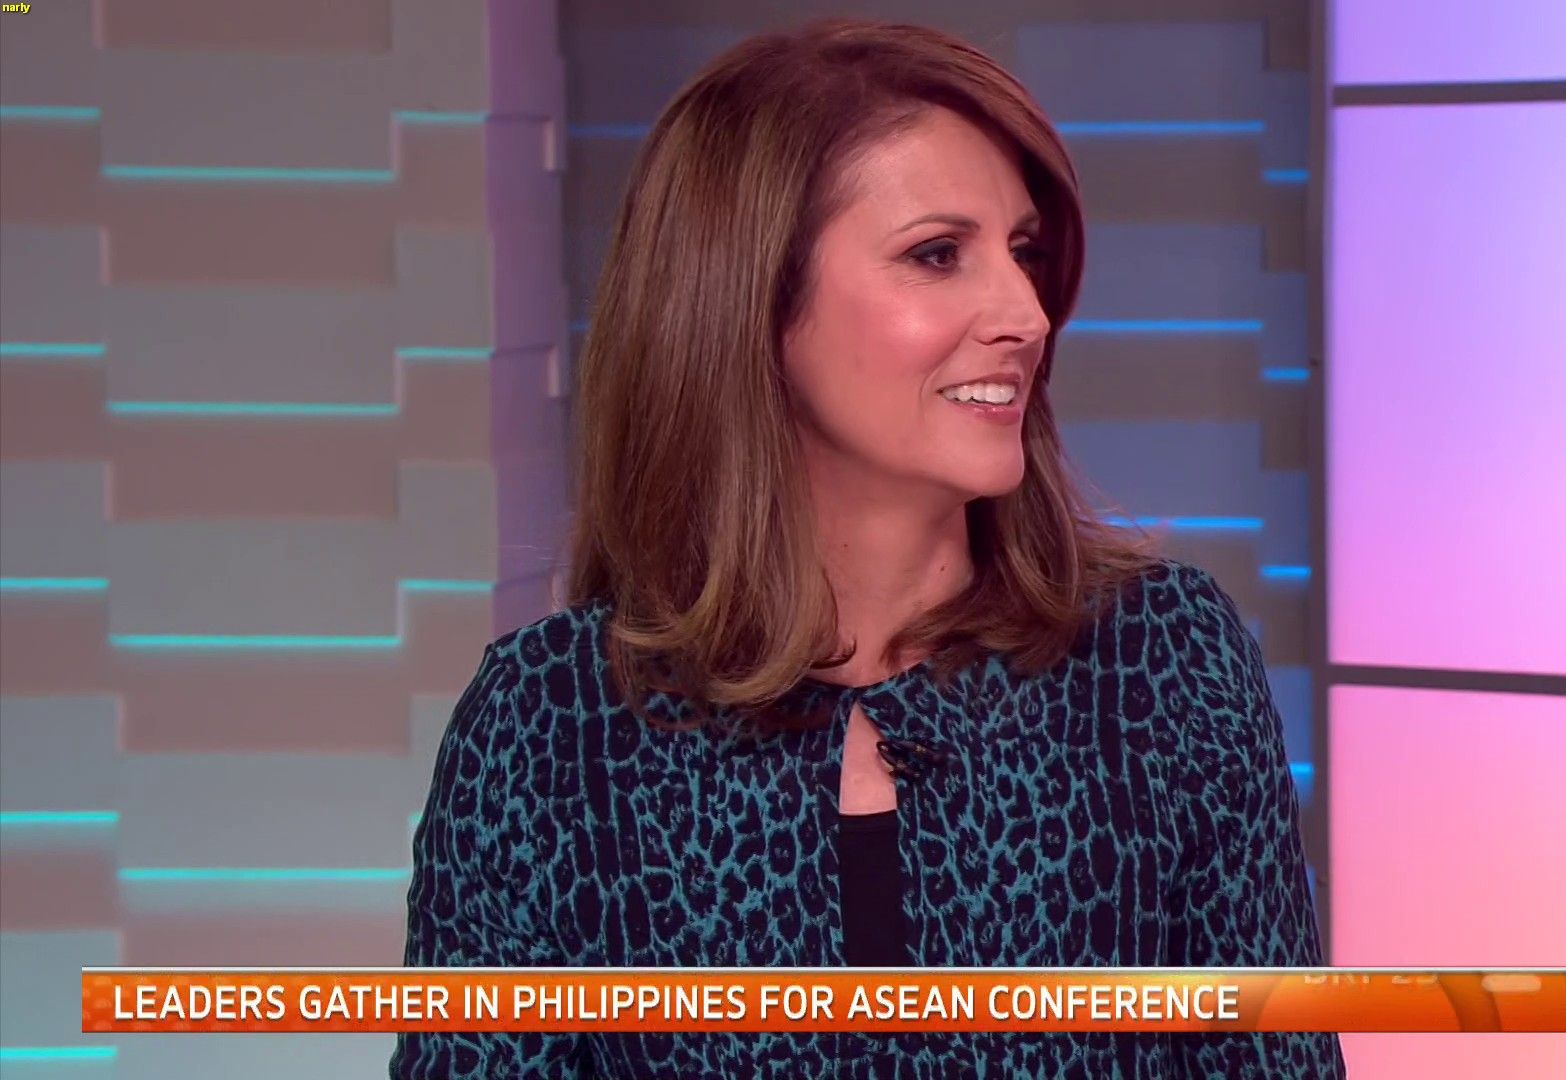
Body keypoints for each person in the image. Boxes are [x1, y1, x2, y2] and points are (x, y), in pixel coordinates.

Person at [392, 16, 1344, 1079]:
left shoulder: (1163, 665)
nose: (1027, 313)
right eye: (938, 255)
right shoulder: (546, 727)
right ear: (753, 303)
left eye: (1024, 252)